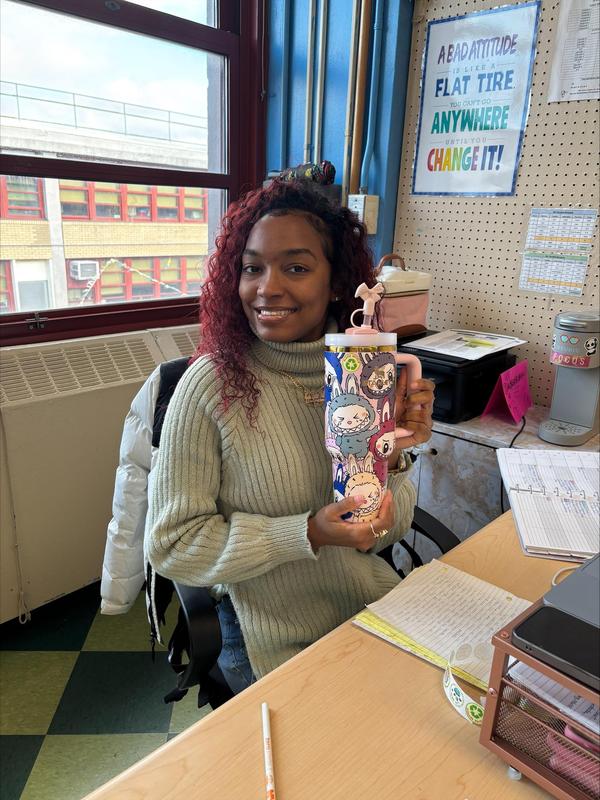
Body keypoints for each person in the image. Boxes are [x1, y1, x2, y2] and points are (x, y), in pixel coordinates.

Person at [147, 179, 435, 692]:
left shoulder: (362, 375)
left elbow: (382, 532)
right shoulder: (211, 385)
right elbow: (173, 545)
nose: (267, 288)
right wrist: (307, 532)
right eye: (253, 267)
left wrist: (394, 462)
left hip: (370, 606)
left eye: (296, 268)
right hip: (266, 632)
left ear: (336, 282)